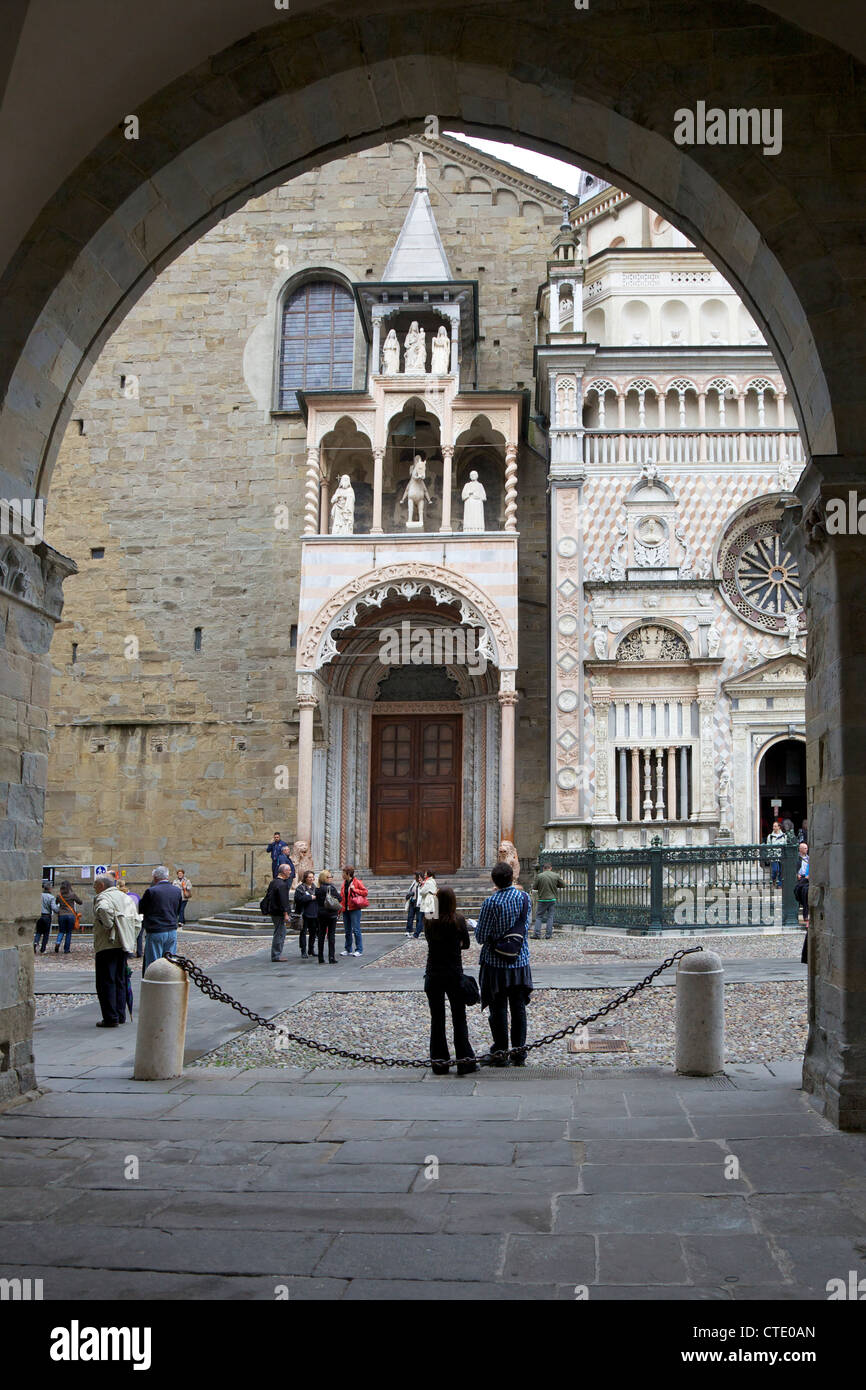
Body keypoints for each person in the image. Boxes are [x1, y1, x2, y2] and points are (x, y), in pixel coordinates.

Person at [474, 861, 533, 1066]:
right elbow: (526, 926)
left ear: (494, 880)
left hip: (495, 964)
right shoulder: (525, 898)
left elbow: (481, 937)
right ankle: (519, 1053)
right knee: (518, 1009)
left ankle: (500, 1052)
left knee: (497, 1010)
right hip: (519, 961)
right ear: (512, 878)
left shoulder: (491, 903)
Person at [423, 885, 477, 1076]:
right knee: (458, 1017)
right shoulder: (459, 920)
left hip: (433, 974)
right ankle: (465, 1062)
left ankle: (439, 1063)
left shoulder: (429, 919)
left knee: (437, 1019)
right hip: (453, 974)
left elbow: (429, 940)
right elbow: (467, 945)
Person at [92, 872, 139, 1027]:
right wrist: (130, 937)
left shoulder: (104, 897)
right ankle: (120, 1014)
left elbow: (104, 910)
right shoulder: (125, 897)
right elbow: (137, 921)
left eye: (95, 885)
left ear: (101, 885)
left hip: (107, 944)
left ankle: (110, 1017)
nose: (94, 888)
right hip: (124, 944)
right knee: (120, 979)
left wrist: (108, 924)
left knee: (106, 981)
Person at [138, 866, 183, 972]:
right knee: (170, 963)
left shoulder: (151, 891)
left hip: (156, 930)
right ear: (167, 876)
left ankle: (154, 986)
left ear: (155, 877)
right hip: (171, 929)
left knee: (154, 964)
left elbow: (141, 909)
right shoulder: (176, 891)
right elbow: (178, 909)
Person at [266, 862, 294, 962]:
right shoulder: (282, 884)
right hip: (279, 913)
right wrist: (286, 914)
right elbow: (283, 901)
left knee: (279, 932)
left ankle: (276, 954)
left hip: (274, 911)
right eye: (289, 870)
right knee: (280, 933)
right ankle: (276, 955)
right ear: (284, 872)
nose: (290, 872)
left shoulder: (274, 882)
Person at [340, 865, 368, 957]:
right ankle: (348, 949)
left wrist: (355, 890)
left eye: (343, 873)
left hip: (354, 908)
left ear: (348, 873)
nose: (342, 874)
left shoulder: (357, 882)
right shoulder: (344, 883)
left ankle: (359, 949)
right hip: (346, 909)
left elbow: (365, 892)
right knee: (347, 930)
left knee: (356, 929)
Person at [314, 870, 342, 964]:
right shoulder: (331, 888)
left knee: (321, 935)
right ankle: (331, 957)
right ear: (326, 878)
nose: (331, 878)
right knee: (331, 935)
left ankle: (320, 957)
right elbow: (339, 898)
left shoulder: (318, 888)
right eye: (330, 877)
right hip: (331, 914)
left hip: (321, 913)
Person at [531, 863, 564, 939]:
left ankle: (537, 934)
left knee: (539, 917)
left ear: (543, 868)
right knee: (550, 917)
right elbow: (563, 885)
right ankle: (548, 935)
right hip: (552, 899)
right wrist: (555, 885)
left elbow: (534, 887)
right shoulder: (556, 875)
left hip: (542, 899)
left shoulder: (540, 876)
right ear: (551, 868)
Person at [294, 870, 319, 959]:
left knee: (313, 932)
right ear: (305, 878)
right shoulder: (300, 888)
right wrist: (310, 897)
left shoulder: (315, 887)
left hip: (314, 913)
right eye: (309, 877)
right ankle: (303, 950)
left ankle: (311, 949)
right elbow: (298, 899)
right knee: (303, 932)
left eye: (312, 877)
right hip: (304, 914)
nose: (311, 879)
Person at [54, 880, 83, 953]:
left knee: (61, 931)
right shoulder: (72, 895)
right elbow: (80, 902)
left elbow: (56, 903)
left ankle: (58, 943)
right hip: (70, 915)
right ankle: (66, 949)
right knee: (68, 933)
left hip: (61, 915)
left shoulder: (59, 896)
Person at [35, 881, 58, 954]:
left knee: (38, 931)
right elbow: (54, 908)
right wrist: (58, 910)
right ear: (50, 889)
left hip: (39, 915)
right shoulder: (51, 897)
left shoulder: (39, 895)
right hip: (47, 916)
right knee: (46, 933)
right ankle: (43, 948)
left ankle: (35, 942)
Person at [796, 842, 810, 962]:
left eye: (807, 848)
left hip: (809, 881)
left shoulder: (810, 859)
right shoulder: (797, 858)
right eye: (804, 848)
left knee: (805, 891)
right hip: (804, 880)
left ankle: (807, 917)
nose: (806, 850)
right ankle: (807, 917)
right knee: (802, 889)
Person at [766, 820, 786, 888]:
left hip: (781, 856)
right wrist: (769, 855)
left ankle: (779, 884)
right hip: (773, 856)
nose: (774, 827)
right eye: (773, 826)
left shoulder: (784, 836)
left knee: (781, 871)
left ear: (779, 827)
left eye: (775, 826)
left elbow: (785, 845)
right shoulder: (770, 836)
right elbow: (768, 846)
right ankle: (773, 879)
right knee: (775, 870)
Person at [405, 871, 423, 938]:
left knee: (419, 918)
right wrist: (409, 894)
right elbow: (411, 890)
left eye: (415, 875)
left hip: (419, 903)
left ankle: (418, 931)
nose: (414, 876)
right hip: (412, 902)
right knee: (410, 916)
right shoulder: (414, 882)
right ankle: (408, 930)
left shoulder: (422, 883)